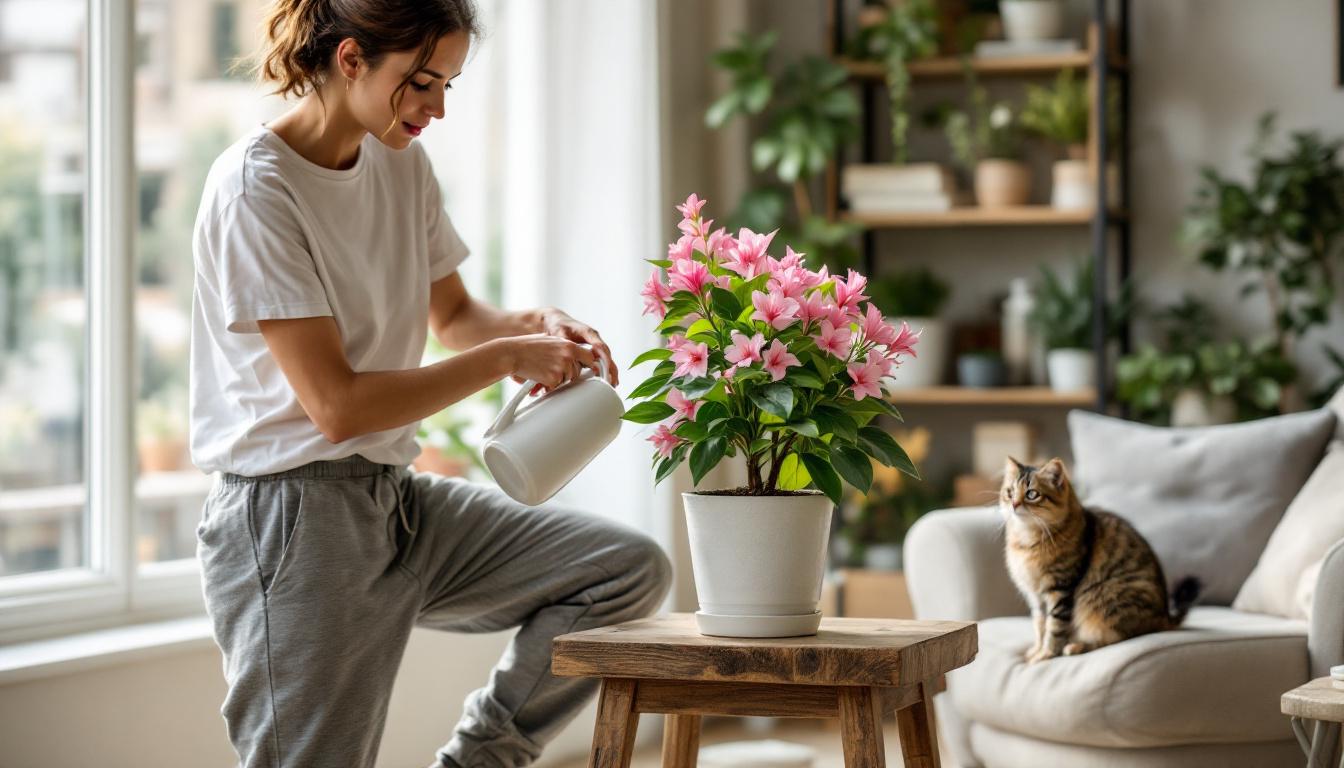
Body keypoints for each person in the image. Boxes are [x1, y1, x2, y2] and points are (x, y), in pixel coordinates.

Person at [188, 1, 673, 766]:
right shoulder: (257, 190)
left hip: (394, 501)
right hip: (291, 521)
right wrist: (504, 360)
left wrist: (533, 327)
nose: (438, 107)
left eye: (446, 82)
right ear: (351, 59)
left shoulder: (398, 159)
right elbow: (337, 406)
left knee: (623, 573)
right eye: (420, 82)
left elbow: (453, 314)